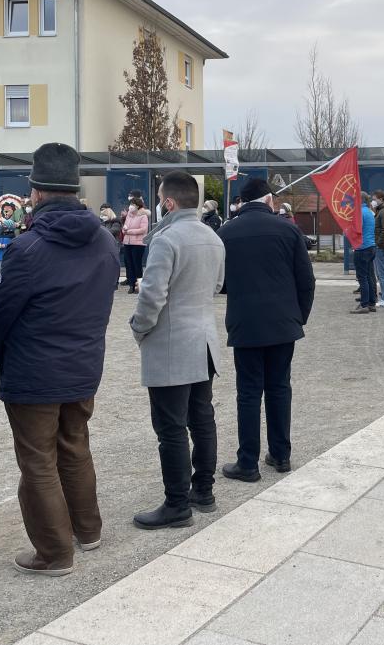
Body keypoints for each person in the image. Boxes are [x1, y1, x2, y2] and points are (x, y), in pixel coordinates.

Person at [0, 143, 119, 577]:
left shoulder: (27, 248)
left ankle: (54, 553)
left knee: (38, 460)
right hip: (83, 365)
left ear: (37, 192)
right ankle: (87, 530)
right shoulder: (105, 241)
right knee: (75, 445)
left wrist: (5, 358)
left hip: (34, 371)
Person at [129, 171, 225, 529]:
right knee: (202, 419)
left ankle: (177, 504)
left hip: (171, 343)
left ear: (168, 202)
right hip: (204, 341)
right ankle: (204, 491)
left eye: (159, 199)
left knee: (171, 428)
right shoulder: (213, 237)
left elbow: (152, 296)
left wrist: (139, 328)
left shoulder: (166, 239)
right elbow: (217, 285)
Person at [218, 177, 315, 482]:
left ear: (241, 202)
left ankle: (247, 463)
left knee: (248, 392)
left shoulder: (226, 232)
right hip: (283, 323)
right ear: (270, 200)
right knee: (279, 387)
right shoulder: (288, 230)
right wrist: (298, 317)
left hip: (245, 322)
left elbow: (220, 282)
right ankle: (281, 454)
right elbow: (306, 280)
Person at [351, 192, 378, 314]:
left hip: (362, 248)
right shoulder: (369, 212)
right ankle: (372, 303)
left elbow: (357, 230)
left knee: (362, 277)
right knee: (369, 276)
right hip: (371, 247)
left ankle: (364, 304)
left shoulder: (359, 213)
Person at [121, 195, 150, 293]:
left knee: (136, 264)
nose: (131, 206)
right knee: (129, 264)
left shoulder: (143, 216)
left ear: (138, 206)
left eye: (133, 204)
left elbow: (143, 230)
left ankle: (139, 285)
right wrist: (124, 230)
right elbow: (125, 227)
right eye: (130, 204)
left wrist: (129, 231)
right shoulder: (129, 215)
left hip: (138, 244)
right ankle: (131, 285)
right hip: (127, 242)